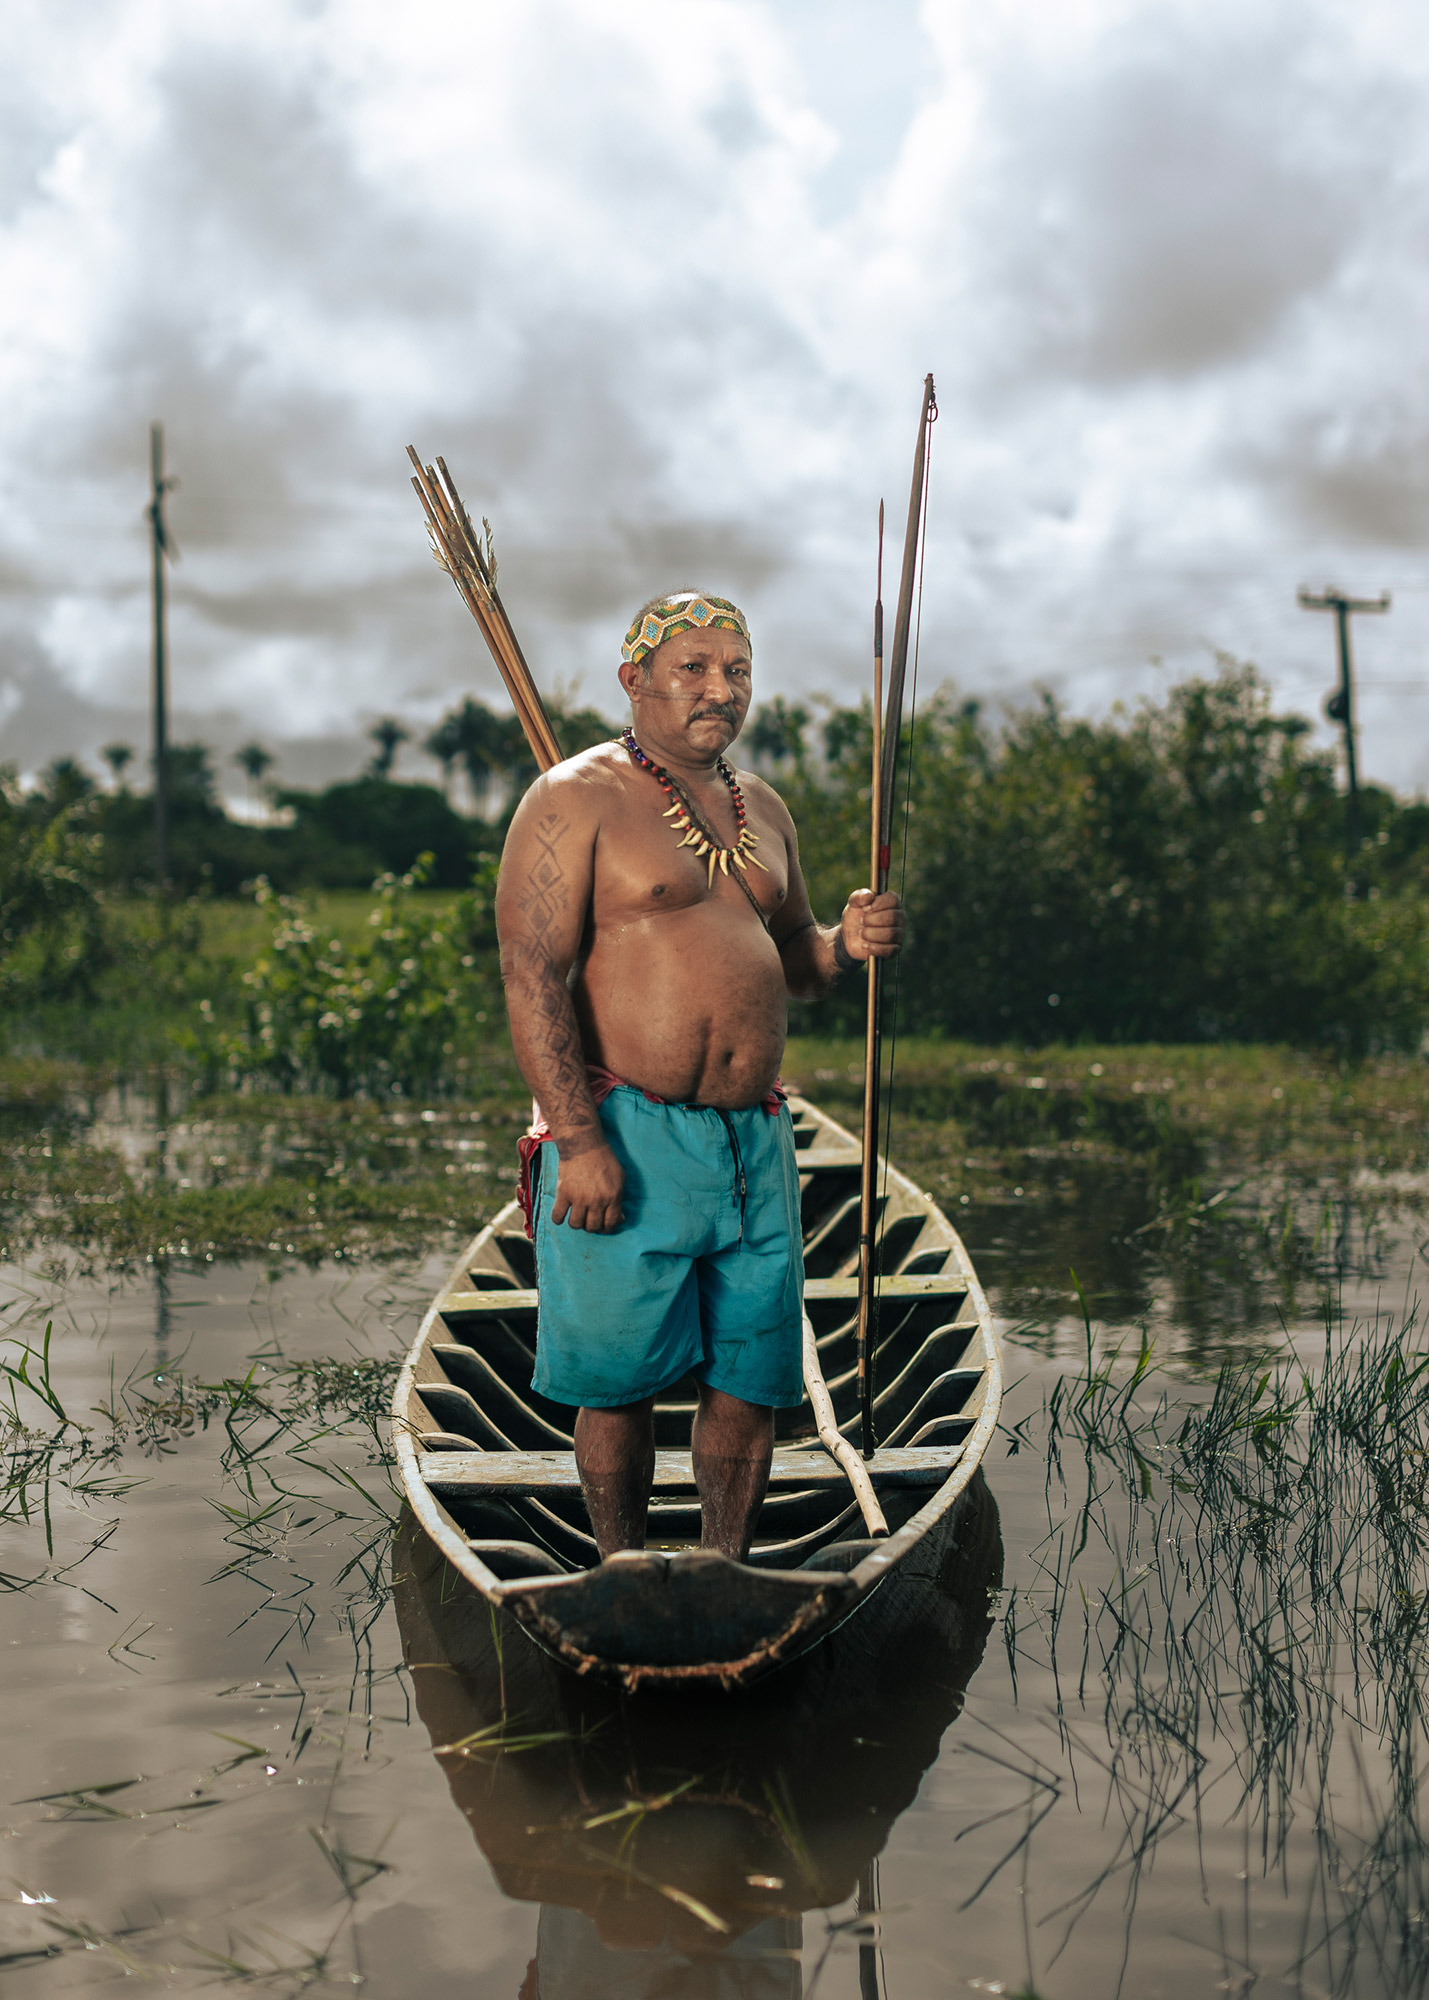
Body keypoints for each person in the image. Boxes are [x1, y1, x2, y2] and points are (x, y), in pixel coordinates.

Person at [495, 590, 903, 1562]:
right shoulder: (572, 797)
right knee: (618, 1381)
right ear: (634, 680)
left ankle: (728, 1567)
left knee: (750, 1377)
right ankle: (619, 1567)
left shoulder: (761, 805)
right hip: (625, 1131)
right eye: (694, 667)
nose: (720, 688)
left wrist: (845, 943)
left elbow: (794, 954)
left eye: (738, 669)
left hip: (749, 1141)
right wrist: (579, 1141)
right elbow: (532, 974)